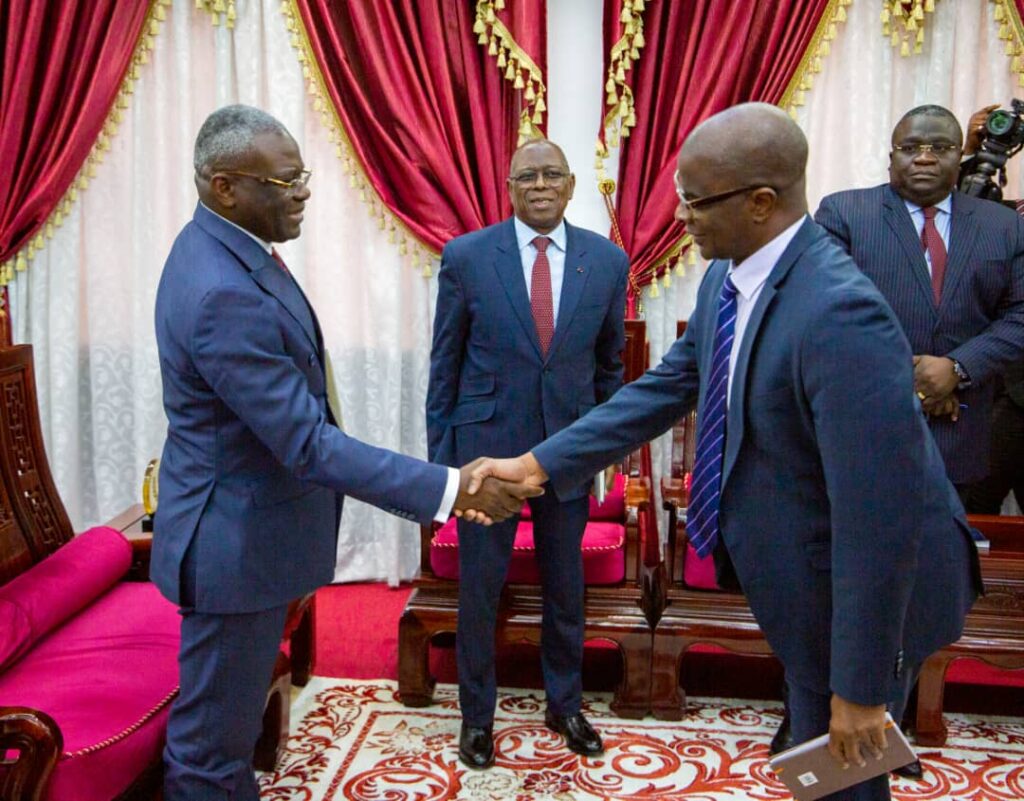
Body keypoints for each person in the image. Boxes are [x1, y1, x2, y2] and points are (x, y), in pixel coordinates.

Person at [465, 103, 981, 801]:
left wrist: (861, 690)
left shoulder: (839, 312)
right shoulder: (730, 274)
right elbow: (664, 388)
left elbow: (878, 523)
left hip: (867, 594)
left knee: (846, 770)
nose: (681, 217)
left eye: (696, 201)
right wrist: (535, 466)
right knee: (815, 751)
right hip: (805, 573)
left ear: (761, 203)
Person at [152, 105, 540, 801]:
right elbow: (305, 441)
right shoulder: (220, 290)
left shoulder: (226, 249)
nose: (303, 191)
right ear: (224, 186)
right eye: (285, 179)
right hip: (232, 548)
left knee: (225, 735)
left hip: (251, 533)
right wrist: (453, 489)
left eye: (303, 174)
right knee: (209, 750)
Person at [426, 138, 629, 768]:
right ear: (508, 187)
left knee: (565, 586)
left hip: (567, 453)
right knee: (480, 588)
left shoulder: (606, 260)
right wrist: (445, 472)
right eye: (526, 177)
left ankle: (565, 704)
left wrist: (604, 452)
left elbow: (610, 367)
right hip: (485, 457)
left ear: (570, 187)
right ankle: (477, 717)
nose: (539, 185)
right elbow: (445, 366)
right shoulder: (466, 256)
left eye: (551, 176)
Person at [815, 104, 1024, 502]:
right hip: (864, 429)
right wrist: (914, 381)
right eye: (911, 146)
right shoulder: (844, 213)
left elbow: (1020, 314)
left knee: (949, 560)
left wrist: (957, 369)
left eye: (941, 146)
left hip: (959, 436)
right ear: (891, 155)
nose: (925, 156)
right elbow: (825, 309)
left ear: (960, 154)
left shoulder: (1005, 225)